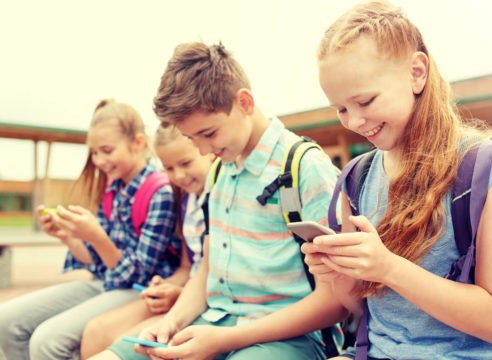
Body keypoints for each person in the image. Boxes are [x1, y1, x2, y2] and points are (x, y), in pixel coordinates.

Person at [302, 1, 492, 359]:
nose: (354, 121)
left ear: (416, 72)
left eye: (365, 100)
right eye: (341, 109)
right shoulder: (356, 178)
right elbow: (360, 309)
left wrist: (389, 268)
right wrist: (339, 273)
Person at [127, 41, 349, 360]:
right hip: (213, 324)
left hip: (288, 338)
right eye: (192, 139)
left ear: (244, 102)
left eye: (209, 133)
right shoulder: (219, 172)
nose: (203, 150)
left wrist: (225, 340)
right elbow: (206, 269)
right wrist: (170, 323)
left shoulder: (304, 167)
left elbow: (337, 301)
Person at [0, 99, 181, 360]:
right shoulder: (112, 189)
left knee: (47, 341)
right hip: (106, 282)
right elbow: (97, 263)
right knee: (7, 321)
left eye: (106, 150)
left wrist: (97, 236)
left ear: (138, 143)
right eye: (94, 152)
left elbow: (138, 274)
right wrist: (71, 238)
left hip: (141, 289)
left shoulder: (159, 192)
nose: (99, 160)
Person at [82, 126, 215, 359]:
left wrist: (179, 293)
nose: (178, 176)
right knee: (96, 331)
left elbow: (211, 274)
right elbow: (187, 267)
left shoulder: (217, 197)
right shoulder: (185, 198)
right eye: (169, 168)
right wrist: (165, 287)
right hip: (184, 293)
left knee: (120, 341)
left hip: (205, 298)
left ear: (209, 151)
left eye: (185, 163)